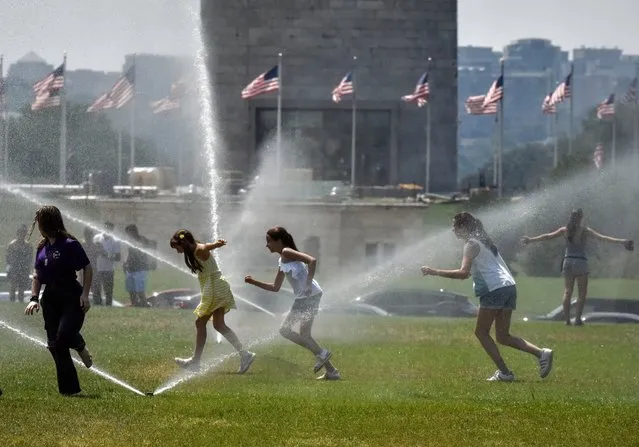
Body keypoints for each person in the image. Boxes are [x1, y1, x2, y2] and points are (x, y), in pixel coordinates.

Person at [420, 212, 553, 382]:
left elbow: (463, 273)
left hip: (494, 289)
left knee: (481, 332)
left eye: (455, 226)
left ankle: (505, 373)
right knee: (503, 336)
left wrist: (434, 271)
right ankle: (541, 353)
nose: (453, 230)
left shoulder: (470, 245)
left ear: (463, 227)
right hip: (508, 287)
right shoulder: (485, 243)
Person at [244, 226, 340, 380]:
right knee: (301, 334)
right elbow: (275, 287)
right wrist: (253, 282)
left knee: (287, 330)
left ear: (279, 241)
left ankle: (322, 354)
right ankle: (332, 371)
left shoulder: (287, 252)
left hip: (309, 296)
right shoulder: (282, 259)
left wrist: (308, 283)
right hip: (306, 297)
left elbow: (312, 261)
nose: (266, 245)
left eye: (269, 241)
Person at [521, 208, 633, 326]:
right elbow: (603, 238)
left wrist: (530, 240)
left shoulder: (565, 230)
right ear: (581, 218)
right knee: (582, 293)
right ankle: (578, 319)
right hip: (580, 262)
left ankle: (567, 320)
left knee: (567, 291)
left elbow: (548, 236)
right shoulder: (585, 231)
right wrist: (622, 241)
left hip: (568, 261)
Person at [24, 205, 93, 396]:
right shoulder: (41, 247)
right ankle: (70, 391)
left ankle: (79, 345)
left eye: (39, 222)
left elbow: (87, 268)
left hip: (71, 295)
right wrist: (34, 298)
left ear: (47, 222)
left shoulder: (70, 244)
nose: (37, 226)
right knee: (54, 344)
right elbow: (37, 275)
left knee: (64, 336)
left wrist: (85, 295)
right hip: (50, 298)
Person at [169, 229, 255, 373]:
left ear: (183, 243)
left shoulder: (198, 249)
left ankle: (196, 362)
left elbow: (205, 247)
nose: (177, 251)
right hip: (216, 287)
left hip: (215, 288)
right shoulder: (194, 250)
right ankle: (245, 354)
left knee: (200, 322)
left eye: (177, 247)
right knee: (219, 325)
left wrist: (215, 244)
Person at [92, 222, 121, 306]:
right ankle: (98, 306)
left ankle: (108, 307)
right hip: (97, 268)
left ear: (112, 229)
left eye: (109, 228)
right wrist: (96, 251)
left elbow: (118, 257)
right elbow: (92, 251)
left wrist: (106, 255)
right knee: (96, 290)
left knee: (108, 291)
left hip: (109, 269)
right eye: (105, 228)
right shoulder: (97, 238)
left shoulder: (115, 241)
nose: (107, 230)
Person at [123, 224, 149, 307]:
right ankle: (134, 305)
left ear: (134, 231)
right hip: (130, 269)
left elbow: (143, 252)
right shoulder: (129, 241)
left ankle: (144, 305)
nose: (128, 235)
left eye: (129, 233)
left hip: (140, 270)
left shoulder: (142, 239)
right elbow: (130, 254)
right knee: (131, 290)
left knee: (140, 291)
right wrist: (125, 264)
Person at [6, 224, 32, 302]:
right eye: (21, 233)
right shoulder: (12, 245)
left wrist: (28, 268)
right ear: (18, 234)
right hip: (14, 268)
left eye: (24, 233)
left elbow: (30, 258)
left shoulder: (28, 246)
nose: (22, 235)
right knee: (13, 287)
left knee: (21, 289)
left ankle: (20, 302)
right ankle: (12, 302)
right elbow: (7, 257)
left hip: (24, 269)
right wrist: (9, 268)